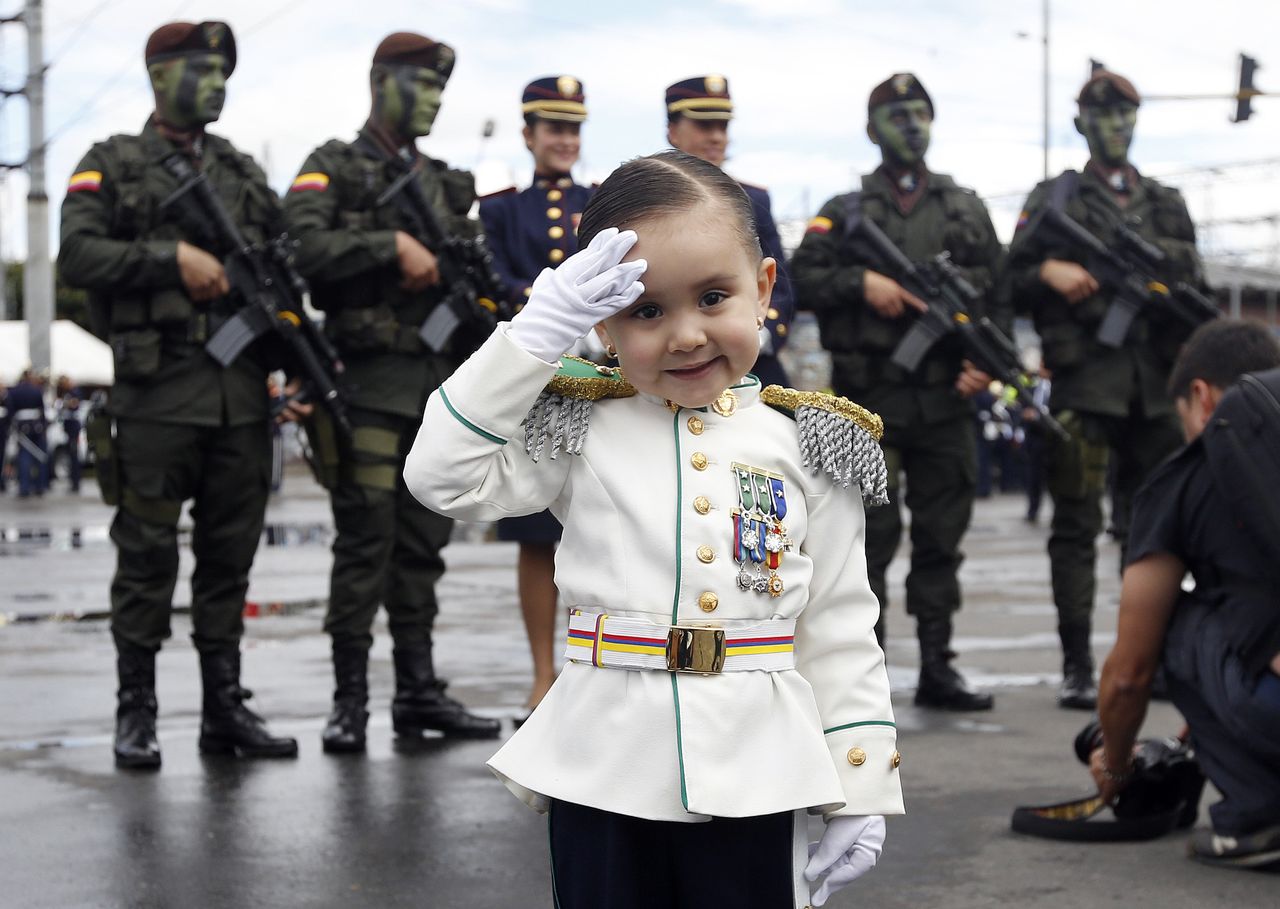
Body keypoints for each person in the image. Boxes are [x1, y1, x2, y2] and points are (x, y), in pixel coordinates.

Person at [406, 150, 902, 909]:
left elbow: (838, 620)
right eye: (646, 310)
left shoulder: (809, 440)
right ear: (600, 321)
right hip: (602, 763)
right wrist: (533, 337)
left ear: (763, 287)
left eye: (713, 296)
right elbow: (439, 475)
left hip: (757, 766)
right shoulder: (580, 423)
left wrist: (859, 781)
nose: (685, 335)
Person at [57, 21, 298, 769]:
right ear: (161, 76)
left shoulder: (243, 172)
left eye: (224, 70)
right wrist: (171, 258)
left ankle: (224, 708)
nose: (218, 82)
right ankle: (138, 710)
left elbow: (283, 266)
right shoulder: (113, 163)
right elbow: (78, 251)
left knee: (229, 560)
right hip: (156, 397)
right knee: (146, 558)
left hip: (238, 399)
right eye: (203, 69)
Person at [283, 31, 500, 753]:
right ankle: (350, 701)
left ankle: (417, 691)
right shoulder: (334, 167)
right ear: (382, 83)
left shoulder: (443, 184)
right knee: (364, 541)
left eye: (443, 89)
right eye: (423, 86)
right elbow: (301, 246)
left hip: (435, 393)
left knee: (421, 545)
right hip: (368, 388)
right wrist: (388, 247)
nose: (435, 101)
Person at [790, 73, 1003, 711]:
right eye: (896, 114)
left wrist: (984, 367)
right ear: (871, 129)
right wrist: (863, 283)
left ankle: (938, 666)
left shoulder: (964, 207)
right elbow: (803, 273)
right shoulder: (846, 209)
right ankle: (864, 677)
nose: (910, 124)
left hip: (945, 399)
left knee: (941, 537)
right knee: (864, 543)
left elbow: (997, 291)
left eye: (920, 113)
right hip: (867, 403)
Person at [1000, 70, 1212, 710]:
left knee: (1158, 529)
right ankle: (1074, 665)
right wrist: (1050, 270)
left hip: (1154, 387)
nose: (1116, 127)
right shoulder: (1055, 199)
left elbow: (1193, 277)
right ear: (1082, 126)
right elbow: (1008, 278)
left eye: (1125, 116)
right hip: (1086, 382)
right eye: (1104, 117)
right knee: (1075, 523)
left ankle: (1153, 657)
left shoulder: (1165, 201)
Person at [1090, 319, 1280, 869]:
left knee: (1172, 620)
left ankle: (1259, 817)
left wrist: (1118, 766)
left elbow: (1129, 675)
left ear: (1200, 396)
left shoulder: (1185, 479)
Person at [478, 76, 595, 723]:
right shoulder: (501, 212)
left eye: (573, 129)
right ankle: (543, 673)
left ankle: (589, 665)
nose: (564, 140)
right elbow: (494, 285)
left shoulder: (604, 201)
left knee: (599, 526)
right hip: (534, 386)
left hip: (595, 383)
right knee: (534, 536)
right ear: (528, 135)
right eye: (553, 128)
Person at [665, 74, 794, 387]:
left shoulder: (753, 200)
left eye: (722, 127)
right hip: (677, 357)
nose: (717, 137)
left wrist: (762, 329)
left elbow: (782, 285)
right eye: (704, 125)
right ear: (672, 132)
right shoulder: (649, 205)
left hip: (752, 362)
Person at [9, 369, 48, 498]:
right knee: (38, 456)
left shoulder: (14, 391)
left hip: (22, 426)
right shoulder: (37, 390)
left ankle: (24, 487)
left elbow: (11, 410)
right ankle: (39, 486)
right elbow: (42, 409)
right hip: (36, 426)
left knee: (24, 457)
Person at [55, 375, 84, 492]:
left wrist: (64, 403)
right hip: (68, 428)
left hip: (73, 428)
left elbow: (74, 404)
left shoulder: (74, 391)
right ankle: (73, 481)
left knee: (74, 455)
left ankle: (76, 482)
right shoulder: (66, 392)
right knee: (70, 456)